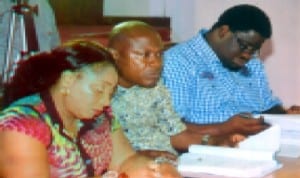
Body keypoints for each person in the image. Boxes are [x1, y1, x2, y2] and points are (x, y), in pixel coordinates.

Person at [0, 40, 181, 178]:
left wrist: (156, 169)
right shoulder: (21, 127)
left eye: (110, 93)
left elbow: (125, 161)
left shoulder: (99, 116)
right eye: (99, 90)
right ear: (68, 81)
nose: (105, 102)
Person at [108, 20, 244, 158]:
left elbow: (175, 134)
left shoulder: (155, 87)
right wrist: (136, 156)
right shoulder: (101, 94)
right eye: (145, 55)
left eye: (159, 54)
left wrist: (215, 142)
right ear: (115, 56)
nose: (156, 63)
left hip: (170, 162)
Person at [162, 4, 300, 137]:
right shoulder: (179, 61)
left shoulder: (252, 64)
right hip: (207, 149)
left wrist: (287, 115)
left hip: (258, 145)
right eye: (244, 46)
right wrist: (224, 128)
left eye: (253, 50)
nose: (247, 55)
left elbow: (266, 107)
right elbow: (168, 128)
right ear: (224, 31)